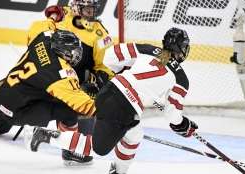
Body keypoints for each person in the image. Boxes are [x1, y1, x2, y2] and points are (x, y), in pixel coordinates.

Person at [28, 27, 199, 173]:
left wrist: (113, 75)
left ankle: (117, 171)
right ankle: (48, 136)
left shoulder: (148, 49)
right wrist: (184, 125)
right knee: (98, 149)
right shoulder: (181, 79)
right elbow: (172, 116)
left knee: (134, 134)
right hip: (124, 108)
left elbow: (112, 55)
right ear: (183, 49)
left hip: (109, 90)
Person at [0, 29, 96, 164]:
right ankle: (70, 151)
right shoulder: (59, 75)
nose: (76, 57)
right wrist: (107, 105)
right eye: (72, 53)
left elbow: (48, 28)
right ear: (63, 52)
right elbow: (85, 106)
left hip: (3, 92)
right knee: (68, 111)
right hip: (17, 109)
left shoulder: (43, 38)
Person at [27, 0, 114, 136]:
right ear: (76, 9)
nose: (91, 14)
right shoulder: (63, 14)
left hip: (75, 80)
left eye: (92, 10)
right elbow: (42, 33)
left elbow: (105, 65)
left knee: (86, 95)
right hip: (51, 69)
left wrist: (100, 79)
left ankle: (72, 135)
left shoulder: (100, 35)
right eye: (87, 10)